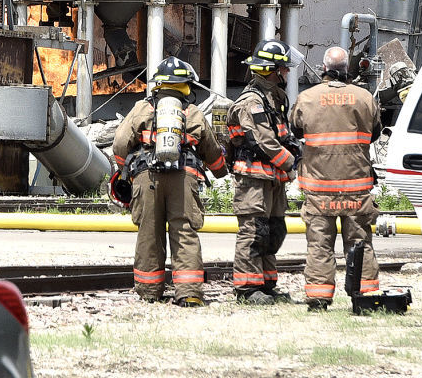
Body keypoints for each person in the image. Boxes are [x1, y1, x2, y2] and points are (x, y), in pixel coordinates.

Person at [112, 56, 227, 306]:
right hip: (184, 180)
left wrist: (125, 171)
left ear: (158, 84)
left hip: (147, 179)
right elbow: (212, 152)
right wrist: (221, 172)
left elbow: (120, 143)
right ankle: (189, 293)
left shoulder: (142, 109)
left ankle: (149, 292)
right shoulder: (192, 112)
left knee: (149, 234)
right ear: (185, 85)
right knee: (184, 232)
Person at [290, 45, 382, 312]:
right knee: (359, 242)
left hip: (319, 188)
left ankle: (318, 298)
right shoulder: (364, 98)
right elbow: (374, 133)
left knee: (319, 245)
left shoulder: (307, 98)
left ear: (324, 70)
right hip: (356, 187)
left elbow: (295, 129)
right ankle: (365, 297)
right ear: (346, 71)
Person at [225, 39, 298, 304]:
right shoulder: (251, 103)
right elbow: (265, 142)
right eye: (284, 68)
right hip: (254, 180)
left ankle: (267, 285)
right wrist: (293, 163)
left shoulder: (273, 99)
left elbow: (282, 137)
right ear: (271, 70)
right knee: (253, 233)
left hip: (272, 180)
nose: (287, 73)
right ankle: (247, 290)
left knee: (273, 232)